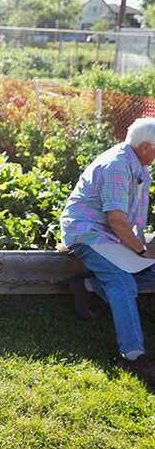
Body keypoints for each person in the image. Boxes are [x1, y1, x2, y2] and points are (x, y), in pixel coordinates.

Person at [61, 117, 155, 387]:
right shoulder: (117, 165)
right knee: (121, 281)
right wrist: (140, 250)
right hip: (88, 233)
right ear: (146, 146)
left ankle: (88, 286)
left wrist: (141, 247)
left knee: (145, 273)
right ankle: (133, 355)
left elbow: (126, 220)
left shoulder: (137, 163)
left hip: (112, 235)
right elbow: (115, 219)